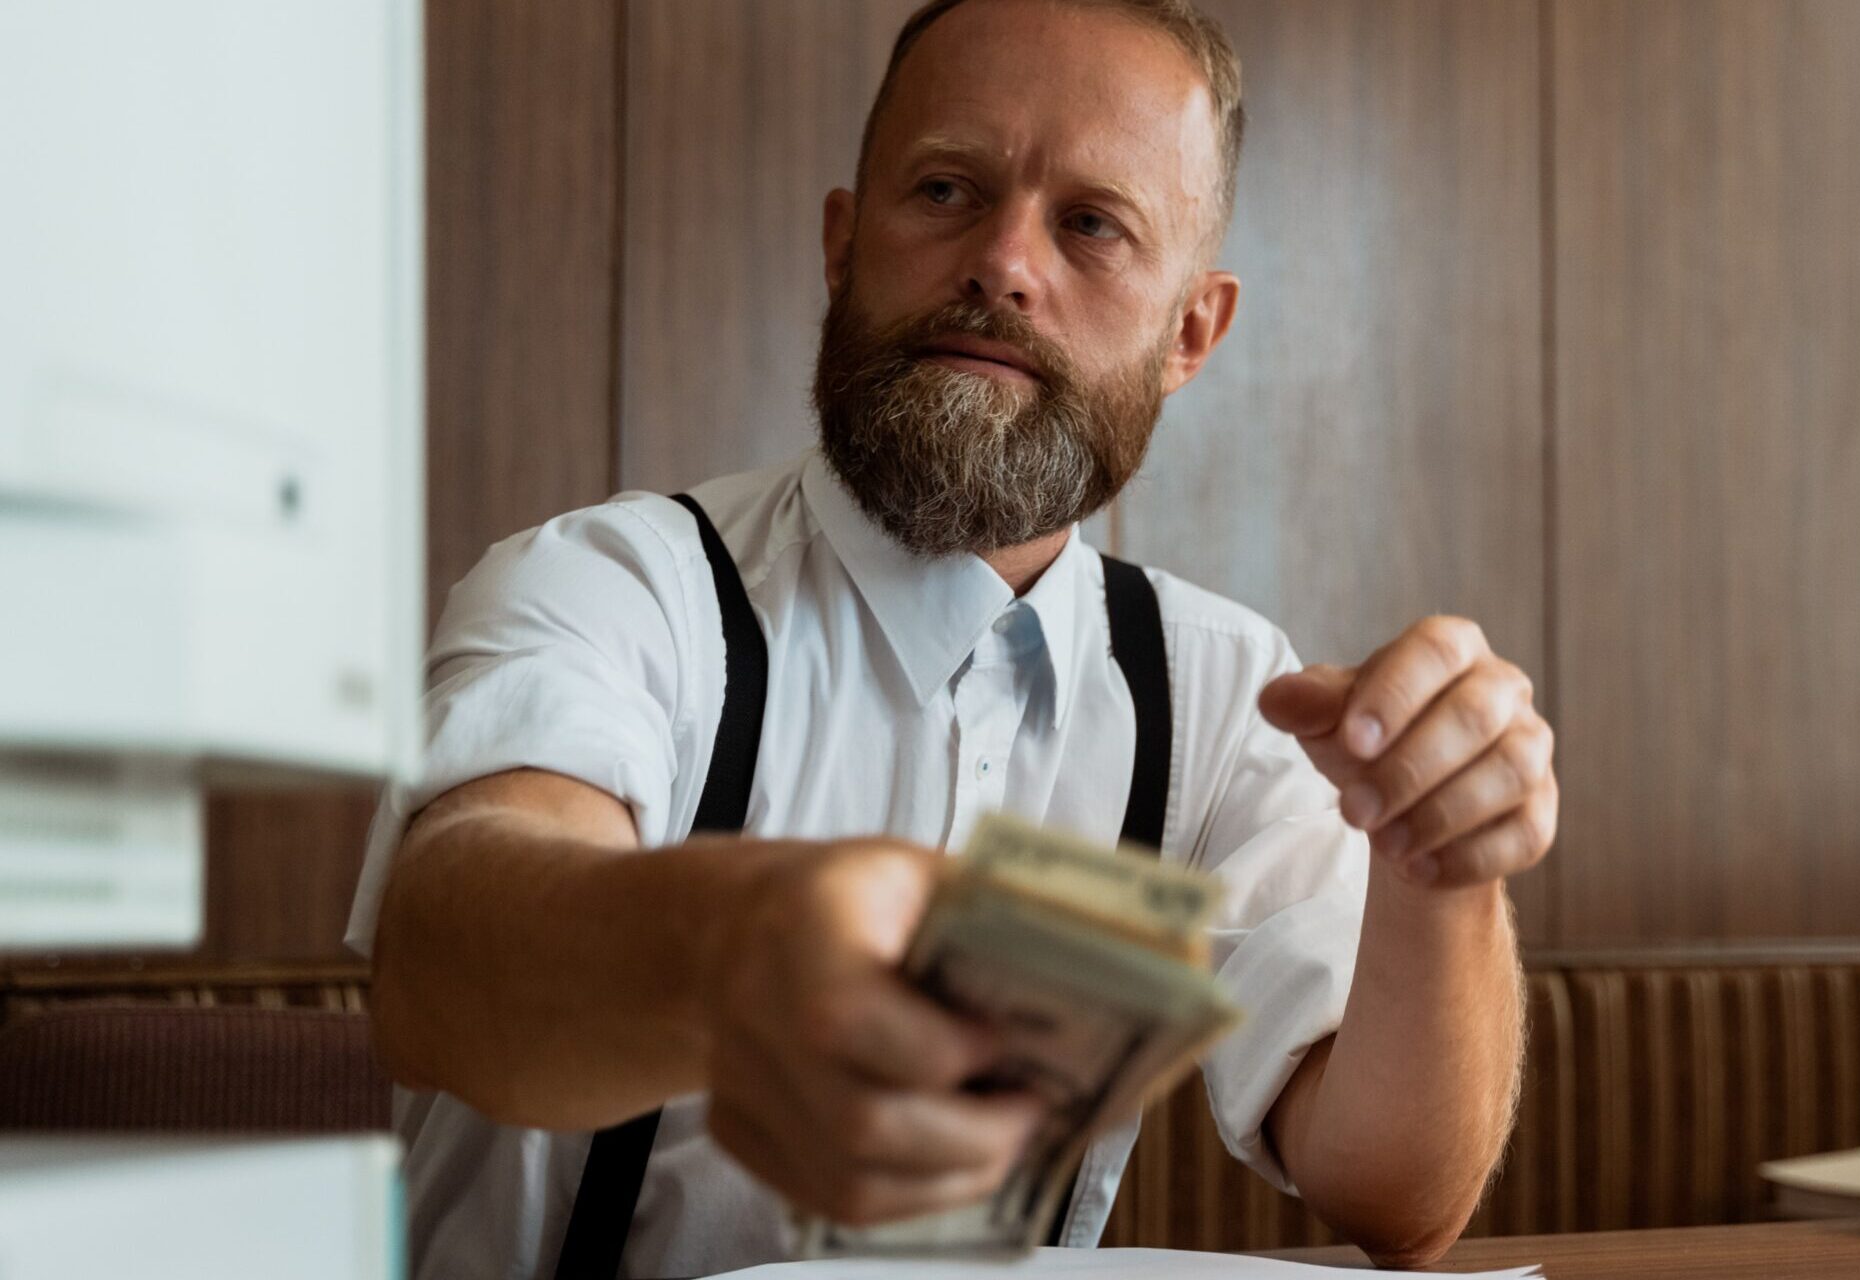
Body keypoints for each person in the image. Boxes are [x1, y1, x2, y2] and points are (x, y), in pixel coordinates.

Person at [352, 0, 1558, 1275]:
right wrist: (741, 951)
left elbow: (1394, 1192)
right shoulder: (617, 585)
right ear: (843, 242)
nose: (1004, 262)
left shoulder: (1222, 694)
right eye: (944, 189)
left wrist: (1442, 873)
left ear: (1190, 334)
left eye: (1090, 223)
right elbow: (442, 966)